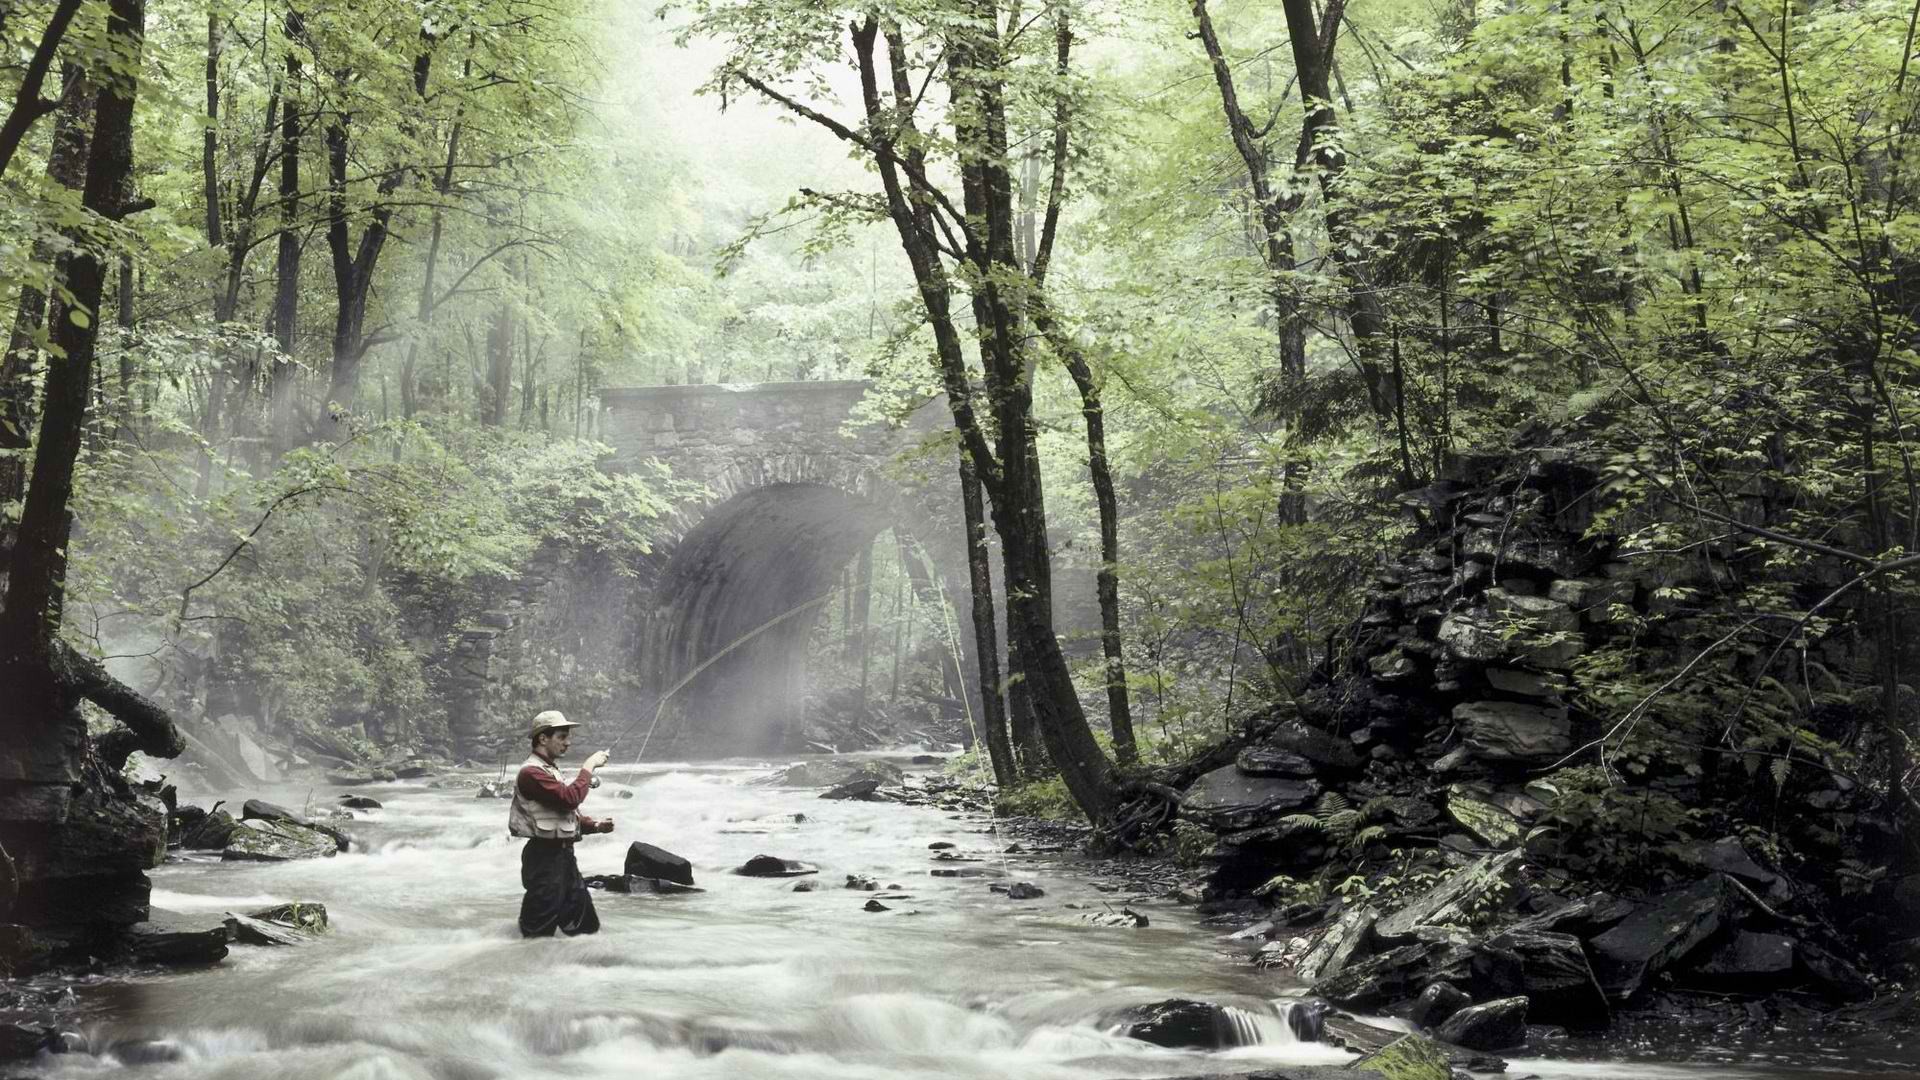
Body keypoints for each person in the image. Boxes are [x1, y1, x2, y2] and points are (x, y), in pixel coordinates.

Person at [508, 710, 615, 937]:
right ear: (543, 738)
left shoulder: (549, 770)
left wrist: (594, 826)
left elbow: (563, 814)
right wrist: (588, 767)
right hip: (544, 861)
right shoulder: (531, 773)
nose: (568, 743)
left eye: (569, 737)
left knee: (586, 928)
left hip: (564, 859)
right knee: (537, 932)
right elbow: (570, 798)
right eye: (562, 737)